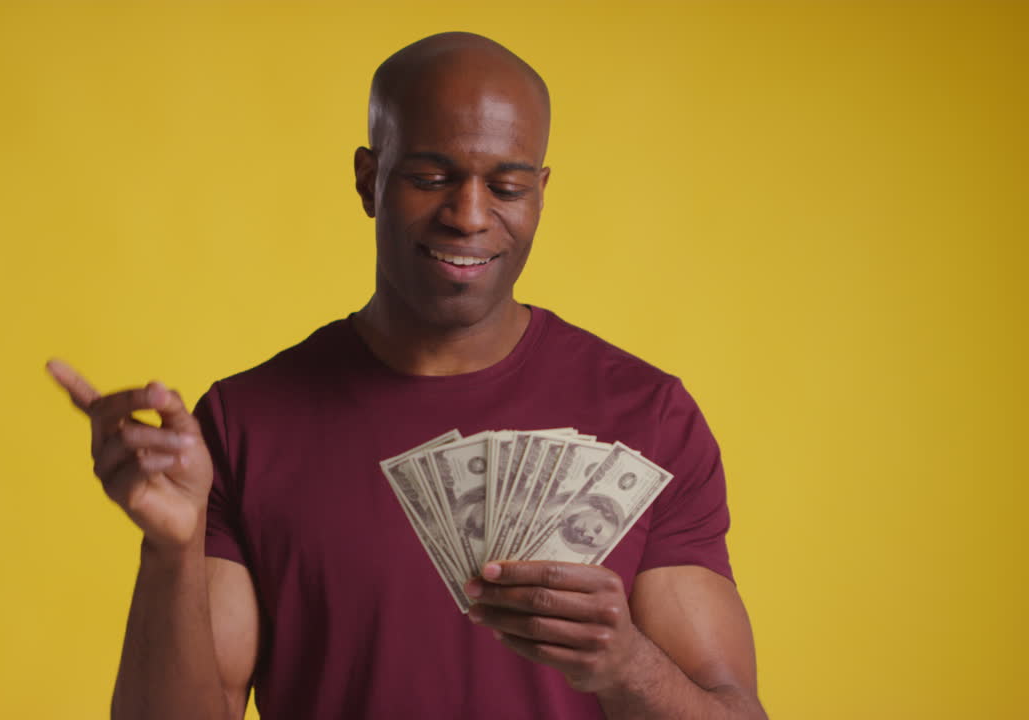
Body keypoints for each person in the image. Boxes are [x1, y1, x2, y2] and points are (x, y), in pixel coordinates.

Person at [48, 31, 766, 720]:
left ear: (541, 193)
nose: (470, 216)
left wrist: (627, 665)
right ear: (370, 180)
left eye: (508, 186)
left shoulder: (650, 420)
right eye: (431, 178)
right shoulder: (243, 425)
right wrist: (170, 550)